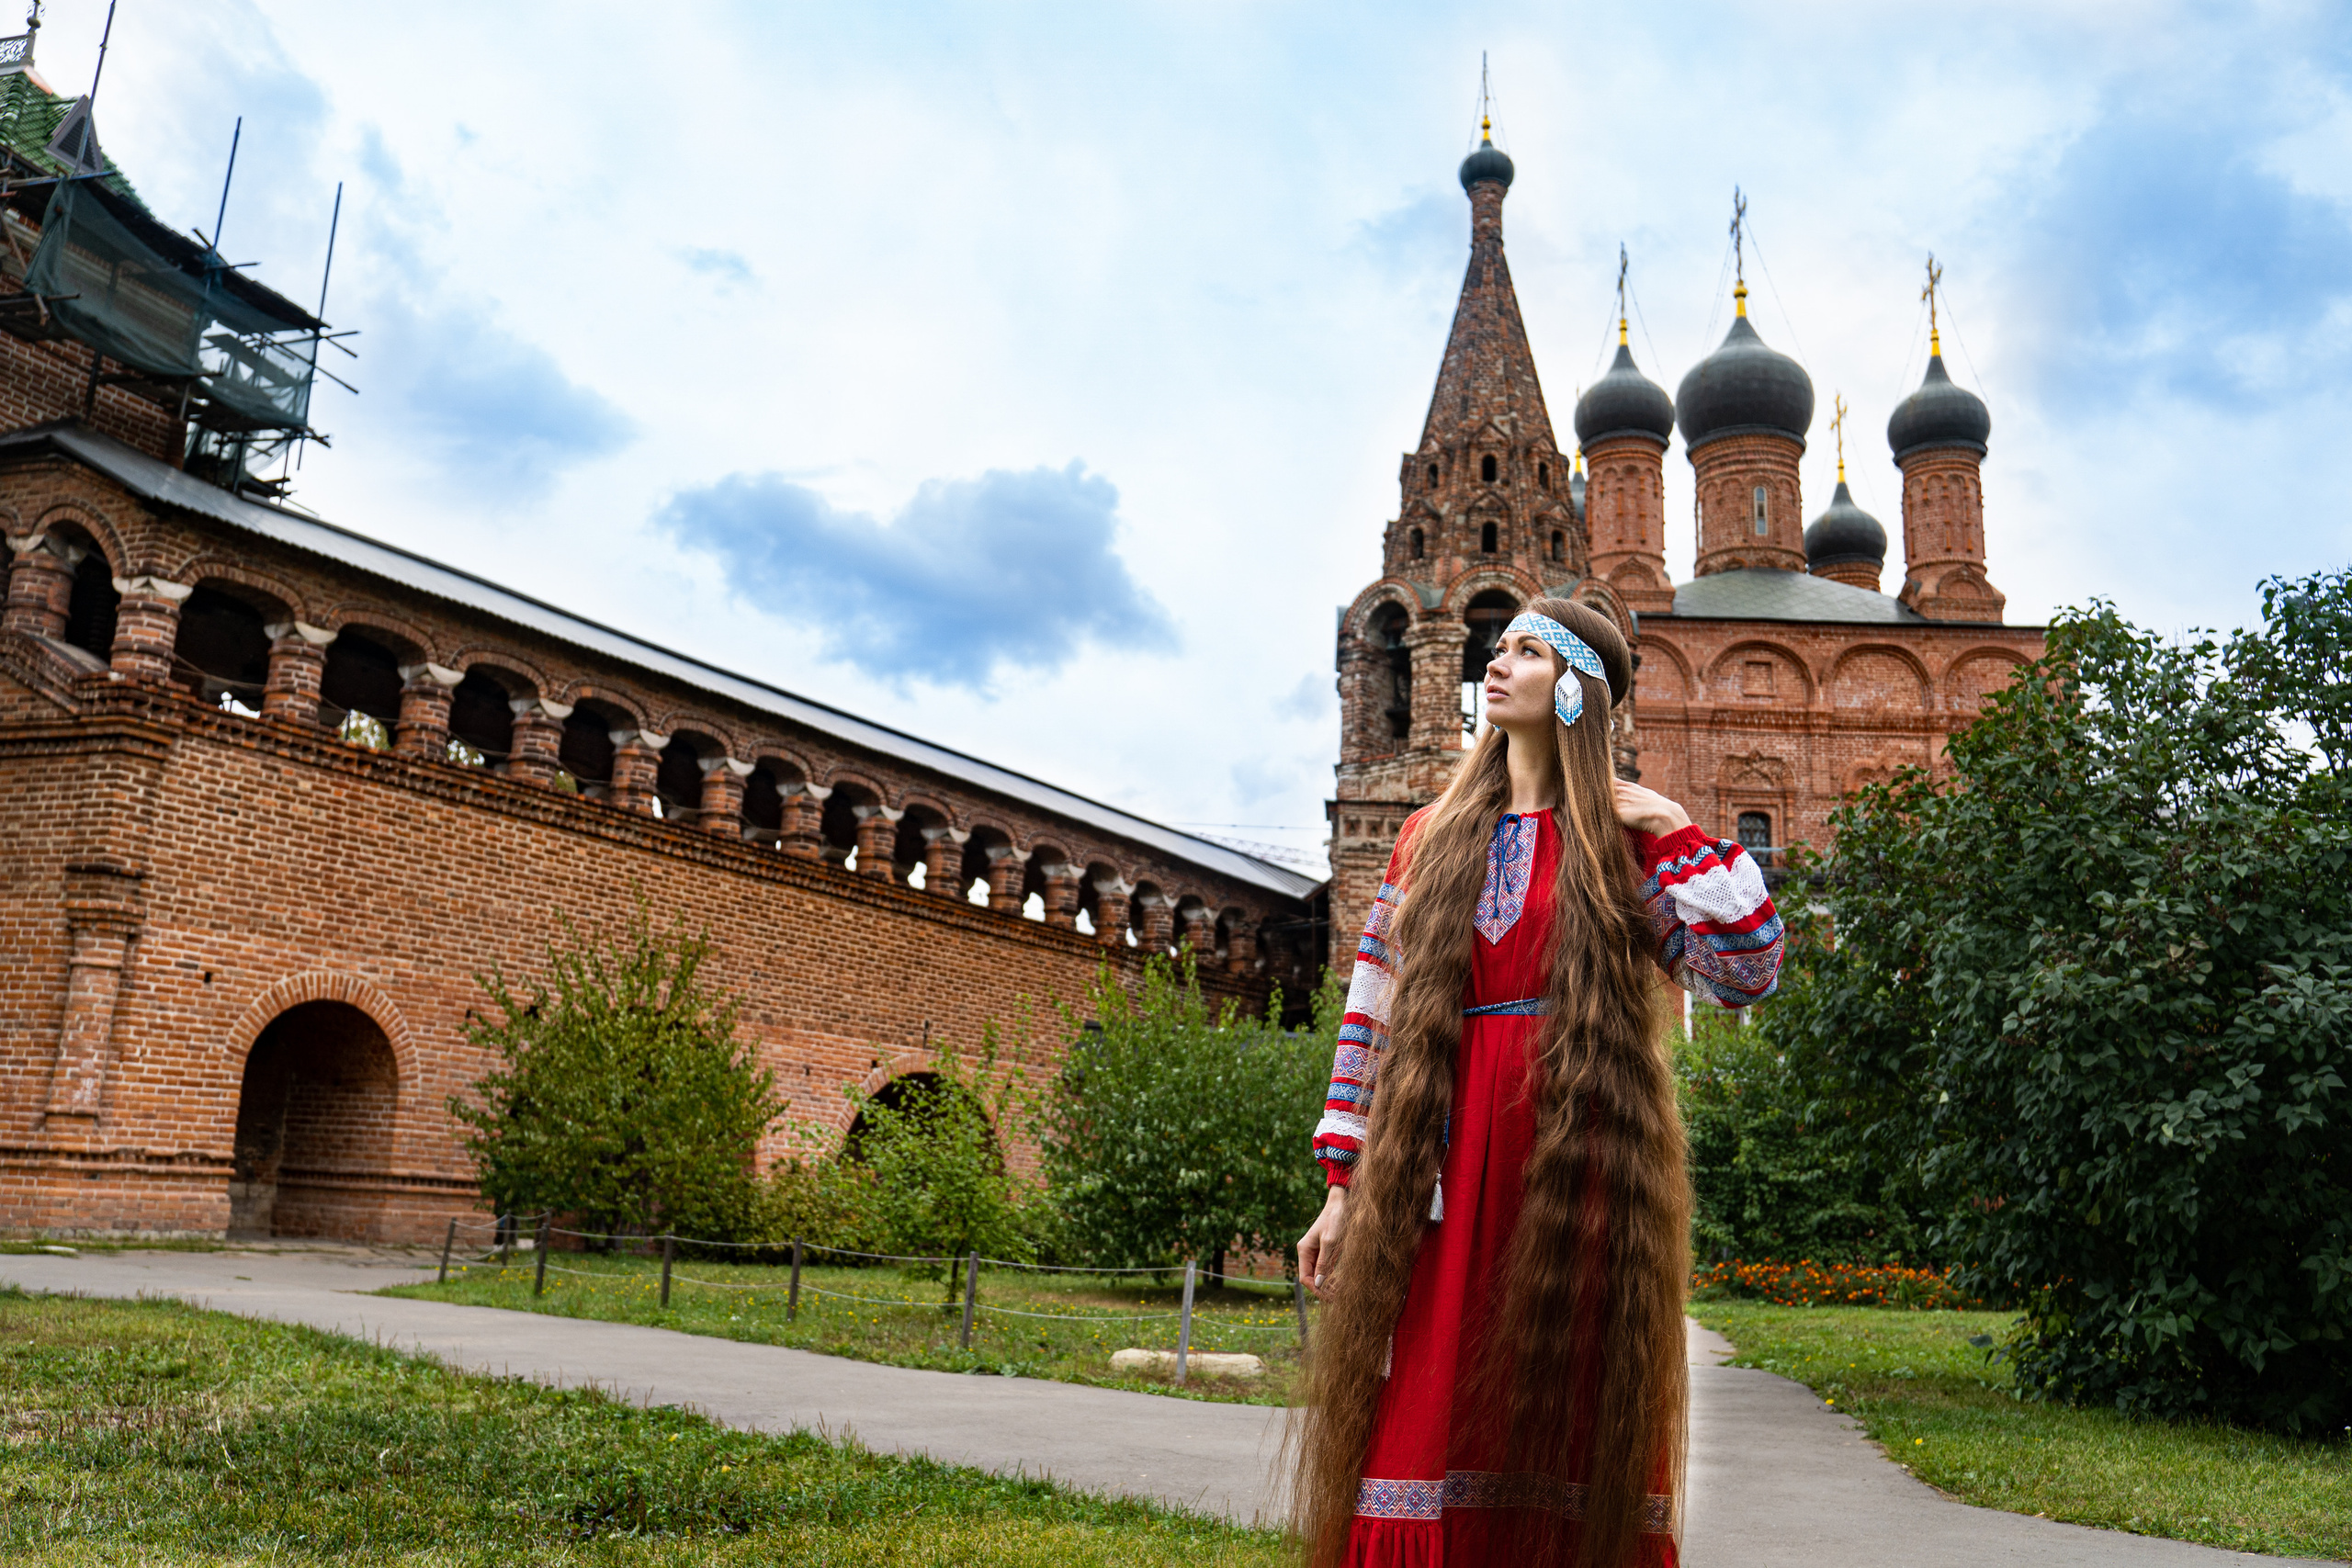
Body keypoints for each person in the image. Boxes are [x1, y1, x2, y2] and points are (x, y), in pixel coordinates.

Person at [1291, 598, 1782, 1568]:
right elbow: (1371, 1014)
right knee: (1425, 1395)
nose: (1495, 665)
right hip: (1435, 1149)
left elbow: (1743, 975)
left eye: (1525, 650)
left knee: (1568, 1395)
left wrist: (1679, 826)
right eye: (1497, 647)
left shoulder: (1626, 836)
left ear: (1575, 690)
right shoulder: (1429, 836)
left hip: (1580, 1150)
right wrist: (1341, 1185)